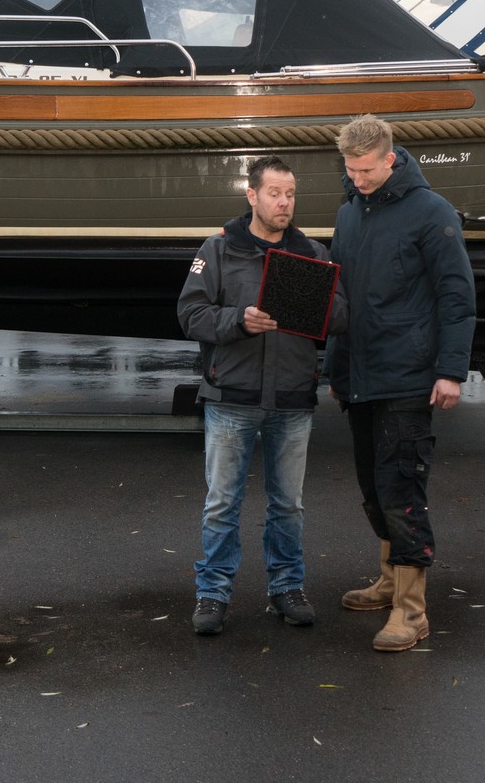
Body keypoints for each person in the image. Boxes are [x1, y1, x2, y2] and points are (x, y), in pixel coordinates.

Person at [177, 155, 347, 636]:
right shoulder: (218, 249)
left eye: (290, 194)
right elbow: (190, 314)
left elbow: (342, 317)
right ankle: (213, 594)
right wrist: (239, 320)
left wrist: (316, 303)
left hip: (292, 400)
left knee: (288, 505)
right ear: (252, 195)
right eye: (274, 193)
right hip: (231, 398)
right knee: (221, 505)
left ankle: (287, 588)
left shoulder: (312, 253)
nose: (284, 203)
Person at [327, 115, 475, 652]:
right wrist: (335, 369)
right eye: (350, 170)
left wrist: (450, 371)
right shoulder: (348, 213)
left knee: (401, 491)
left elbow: (457, 296)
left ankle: (412, 612)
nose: (357, 179)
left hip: (408, 377)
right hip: (359, 375)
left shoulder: (431, 212)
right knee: (373, 488)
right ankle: (389, 581)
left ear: (390, 159)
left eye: (366, 170)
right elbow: (339, 294)